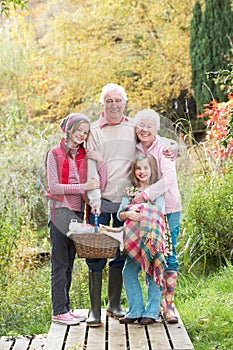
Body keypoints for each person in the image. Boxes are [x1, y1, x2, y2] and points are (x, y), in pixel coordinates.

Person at [86, 83, 179, 327]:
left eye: (118, 100)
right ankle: (104, 309)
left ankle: (143, 307)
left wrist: (174, 146)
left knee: (142, 259)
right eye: (108, 100)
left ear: (125, 103)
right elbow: (92, 166)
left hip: (149, 206)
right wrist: (100, 202)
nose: (114, 104)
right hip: (110, 203)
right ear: (103, 104)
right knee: (103, 257)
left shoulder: (138, 133)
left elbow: (159, 145)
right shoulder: (102, 132)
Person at [45, 113, 107, 326]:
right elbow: (54, 187)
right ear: (69, 129)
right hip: (59, 211)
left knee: (70, 262)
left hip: (78, 213)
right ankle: (58, 310)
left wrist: (100, 163)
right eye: (79, 130)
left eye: (86, 132)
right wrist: (83, 188)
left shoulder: (84, 156)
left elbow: (100, 183)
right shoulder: (54, 154)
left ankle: (66, 309)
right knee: (60, 263)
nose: (82, 134)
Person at [132, 109, 182, 324]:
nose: (144, 129)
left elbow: (169, 178)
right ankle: (151, 305)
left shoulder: (163, 148)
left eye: (149, 125)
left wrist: (145, 195)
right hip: (146, 212)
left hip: (168, 209)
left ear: (157, 129)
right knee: (149, 253)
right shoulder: (133, 148)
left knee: (168, 255)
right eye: (141, 124)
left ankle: (168, 305)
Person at [117, 154, 167, 325]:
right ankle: (135, 310)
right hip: (133, 241)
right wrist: (128, 213)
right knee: (128, 273)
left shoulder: (156, 190)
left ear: (152, 170)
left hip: (152, 239)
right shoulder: (129, 191)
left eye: (146, 168)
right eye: (138, 168)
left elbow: (158, 210)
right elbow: (120, 213)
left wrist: (137, 208)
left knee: (154, 272)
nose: (142, 171)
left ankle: (152, 312)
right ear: (134, 171)